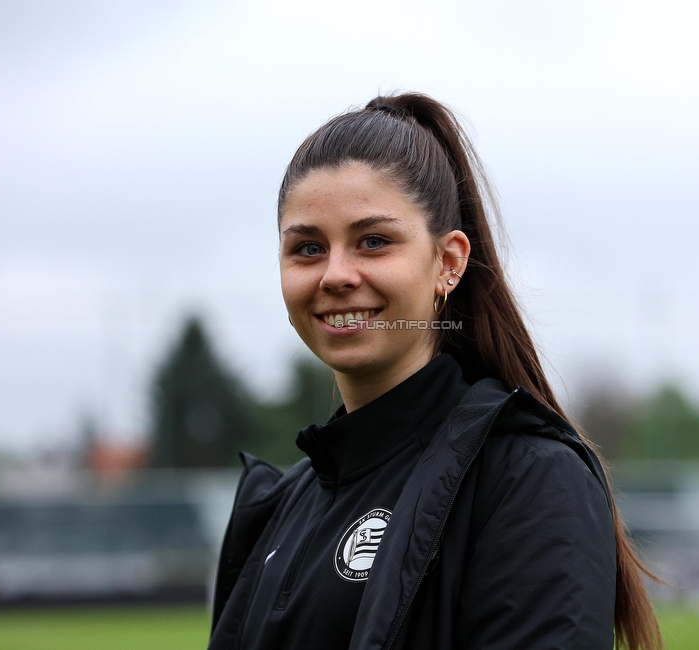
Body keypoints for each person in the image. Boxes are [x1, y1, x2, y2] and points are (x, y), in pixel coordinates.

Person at [208, 93, 661, 650]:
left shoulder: (527, 479)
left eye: (373, 241)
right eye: (306, 248)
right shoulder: (283, 506)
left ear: (448, 262)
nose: (335, 274)